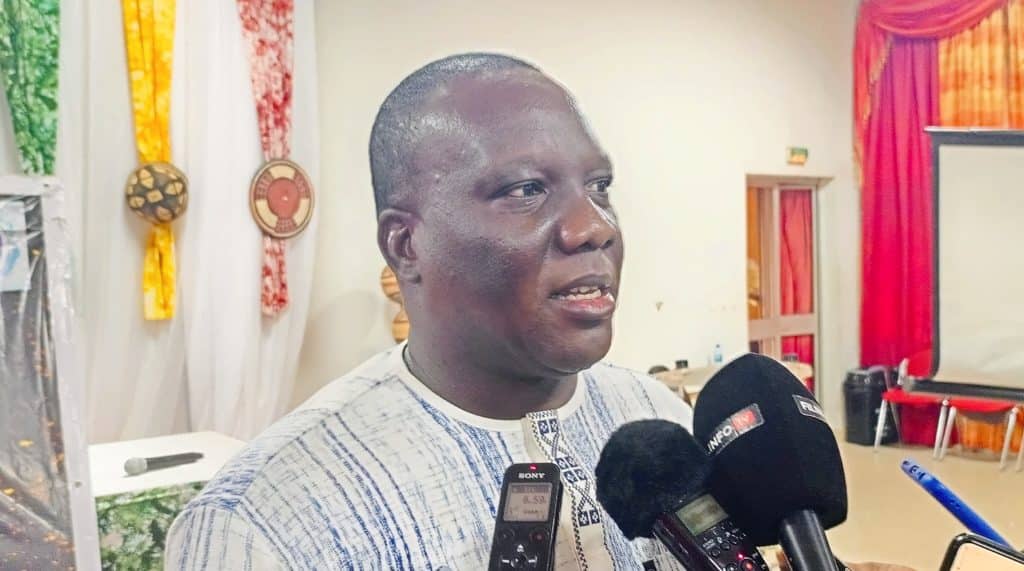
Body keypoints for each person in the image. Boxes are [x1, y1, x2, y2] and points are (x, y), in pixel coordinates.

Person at [165, 53, 912, 571]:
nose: (595, 227)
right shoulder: (261, 525)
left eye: (601, 187)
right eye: (526, 189)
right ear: (407, 244)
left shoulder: (657, 419)